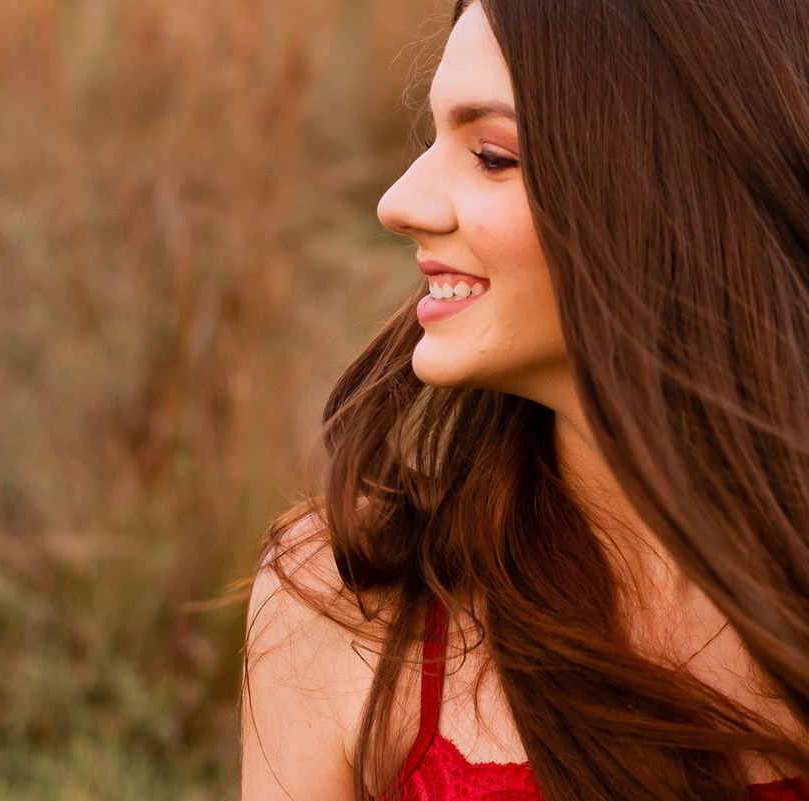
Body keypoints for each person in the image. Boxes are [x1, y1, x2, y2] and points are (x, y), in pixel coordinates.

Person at [241, 0, 809, 799]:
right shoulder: (350, 599)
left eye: (493, 156)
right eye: (430, 139)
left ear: (675, 193)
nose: (400, 202)